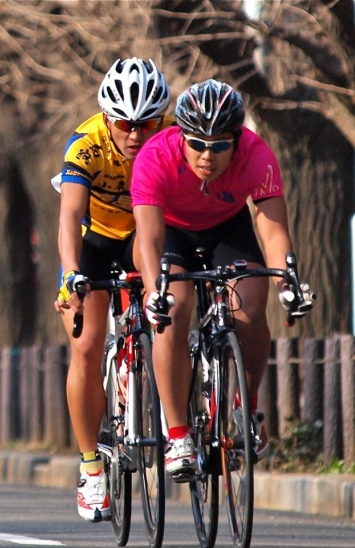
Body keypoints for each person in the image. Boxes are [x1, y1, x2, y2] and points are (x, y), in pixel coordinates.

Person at [131, 79, 314, 479]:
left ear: (237, 139)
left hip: (227, 229)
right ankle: (177, 433)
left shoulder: (257, 155)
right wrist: (152, 291)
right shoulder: (154, 156)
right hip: (170, 234)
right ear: (180, 137)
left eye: (218, 146)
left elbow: (271, 229)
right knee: (173, 310)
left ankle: (244, 406)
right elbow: (147, 236)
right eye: (196, 144)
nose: (206, 156)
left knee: (248, 308)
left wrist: (287, 283)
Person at [53, 57, 171, 522]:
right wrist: (69, 271)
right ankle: (90, 467)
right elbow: (68, 218)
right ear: (108, 118)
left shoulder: (170, 140)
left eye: (146, 123)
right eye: (125, 123)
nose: (136, 134)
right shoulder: (86, 145)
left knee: (165, 293)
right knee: (85, 344)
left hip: (145, 236)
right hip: (95, 240)